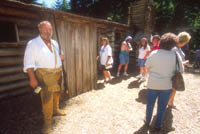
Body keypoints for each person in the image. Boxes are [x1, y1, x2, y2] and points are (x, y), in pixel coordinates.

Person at [24, 21, 66, 133]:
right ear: (39, 29)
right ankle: (47, 123)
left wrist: (62, 56)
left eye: (50, 29)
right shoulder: (33, 43)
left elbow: (61, 55)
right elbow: (29, 62)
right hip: (44, 75)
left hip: (58, 73)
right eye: (45, 29)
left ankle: (56, 110)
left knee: (57, 93)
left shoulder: (55, 43)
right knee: (47, 98)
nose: (48, 32)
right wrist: (32, 78)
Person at [145, 33, 184, 130]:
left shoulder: (154, 53)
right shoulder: (175, 55)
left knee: (150, 104)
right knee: (162, 107)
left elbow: (146, 67)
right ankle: (158, 125)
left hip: (152, 84)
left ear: (161, 42)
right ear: (174, 44)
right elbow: (181, 71)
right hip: (167, 86)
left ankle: (147, 121)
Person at [168, 31, 191, 108]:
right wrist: (184, 63)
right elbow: (174, 62)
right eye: (185, 42)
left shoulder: (178, 48)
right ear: (183, 41)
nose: (185, 44)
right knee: (172, 88)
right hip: (174, 72)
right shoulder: (175, 48)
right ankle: (169, 103)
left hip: (177, 72)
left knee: (174, 88)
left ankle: (170, 102)